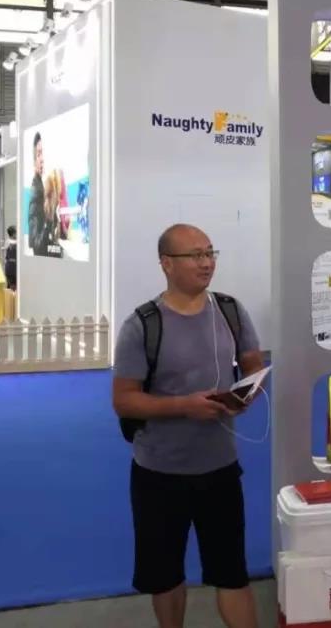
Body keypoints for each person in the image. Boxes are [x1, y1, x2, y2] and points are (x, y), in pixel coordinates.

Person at [112, 224, 263, 628]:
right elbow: (124, 399)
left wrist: (245, 395)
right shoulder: (142, 325)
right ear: (166, 264)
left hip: (220, 469)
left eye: (210, 253)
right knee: (165, 577)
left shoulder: (231, 311)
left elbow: (253, 364)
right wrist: (184, 407)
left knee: (232, 573)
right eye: (195, 255)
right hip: (159, 473)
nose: (206, 262)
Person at [28, 132, 51, 257]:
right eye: (38, 154)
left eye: (42, 154)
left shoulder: (41, 186)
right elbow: (36, 242)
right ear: (34, 161)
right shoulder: (36, 191)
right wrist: (48, 225)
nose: (42, 159)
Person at [4, 225, 18, 290]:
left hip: (14, 268)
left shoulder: (15, 241)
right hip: (11, 268)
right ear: (13, 234)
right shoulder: (8, 241)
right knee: (12, 287)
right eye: (16, 233)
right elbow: (13, 244)